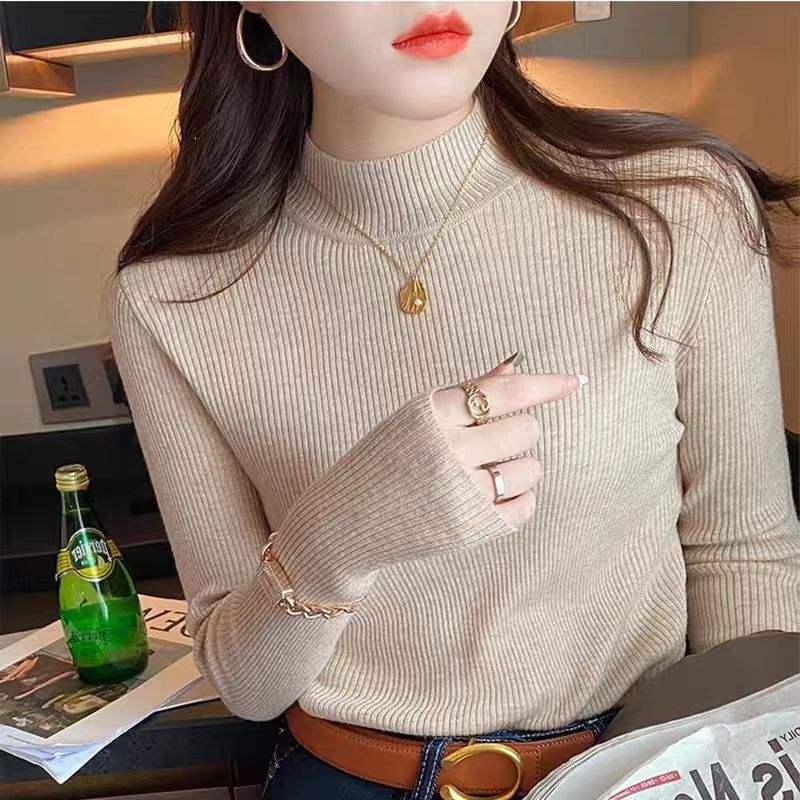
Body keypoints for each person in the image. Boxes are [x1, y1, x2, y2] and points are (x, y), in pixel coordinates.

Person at [107, 3, 800, 798]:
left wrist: (745, 757)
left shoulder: (678, 203)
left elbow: (743, 551)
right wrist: (337, 539)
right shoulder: (168, 298)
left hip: (645, 770)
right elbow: (246, 684)